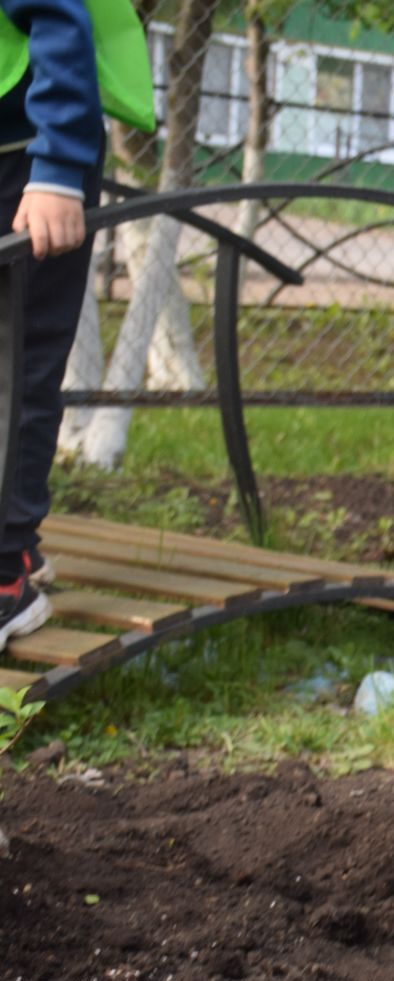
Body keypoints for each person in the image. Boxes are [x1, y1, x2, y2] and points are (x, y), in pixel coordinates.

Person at [0, 0, 153, 649]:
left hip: (28, 162)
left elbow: (57, 15)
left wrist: (59, 167)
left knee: (19, 367)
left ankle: (6, 575)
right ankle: (19, 545)